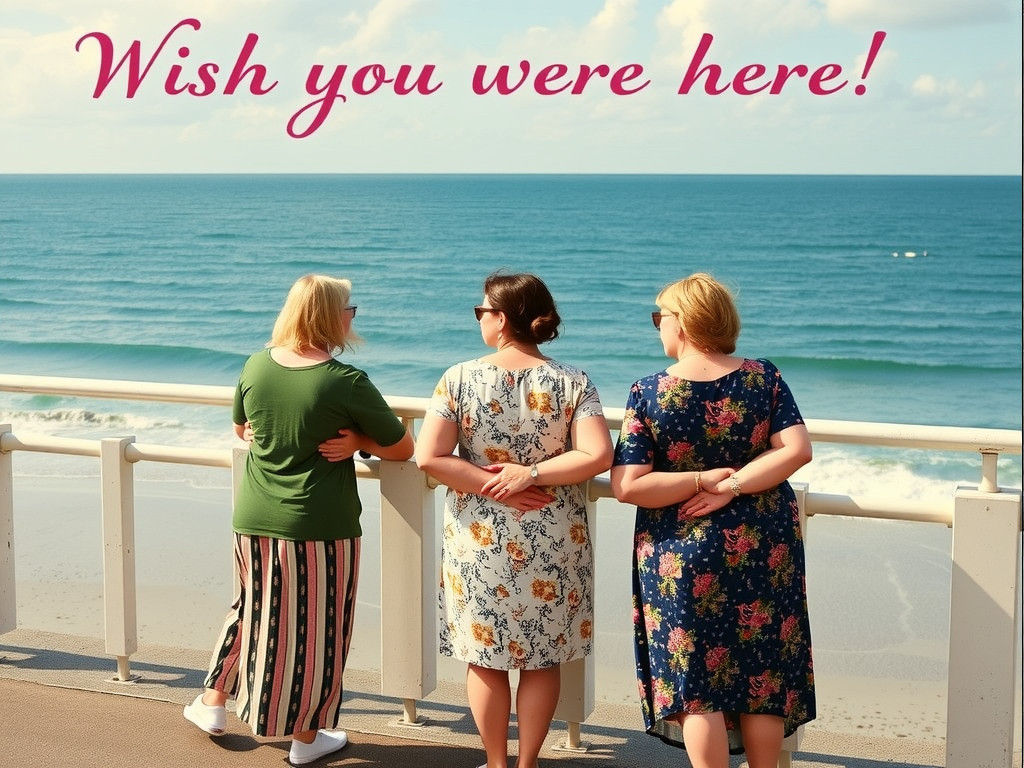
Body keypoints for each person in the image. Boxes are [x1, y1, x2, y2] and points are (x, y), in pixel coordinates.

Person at [183, 274, 414, 766]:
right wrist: (359, 443)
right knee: (318, 628)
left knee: (253, 606)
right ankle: (306, 738)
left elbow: (242, 427)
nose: (354, 315)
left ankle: (213, 703)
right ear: (331, 316)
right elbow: (402, 446)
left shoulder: (256, 365)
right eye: (349, 308)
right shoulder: (344, 380)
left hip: (253, 514)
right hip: (317, 524)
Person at [610, 273, 815, 768]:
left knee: (696, 683)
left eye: (660, 317)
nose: (657, 326)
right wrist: (732, 486)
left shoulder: (649, 392)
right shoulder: (764, 378)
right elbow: (797, 451)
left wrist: (701, 480)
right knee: (761, 671)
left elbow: (628, 486)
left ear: (683, 323)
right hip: (764, 543)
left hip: (679, 550)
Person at [415, 273, 613, 768]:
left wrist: (493, 486)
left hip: (479, 539)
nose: (479, 318)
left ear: (502, 319)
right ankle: (527, 765)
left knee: (486, 659)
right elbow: (597, 454)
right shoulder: (573, 381)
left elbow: (429, 457)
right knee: (543, 658)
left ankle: (496, 763)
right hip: (554, 533)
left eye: (481, 311)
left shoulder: (458, 377)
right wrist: (531, 475)